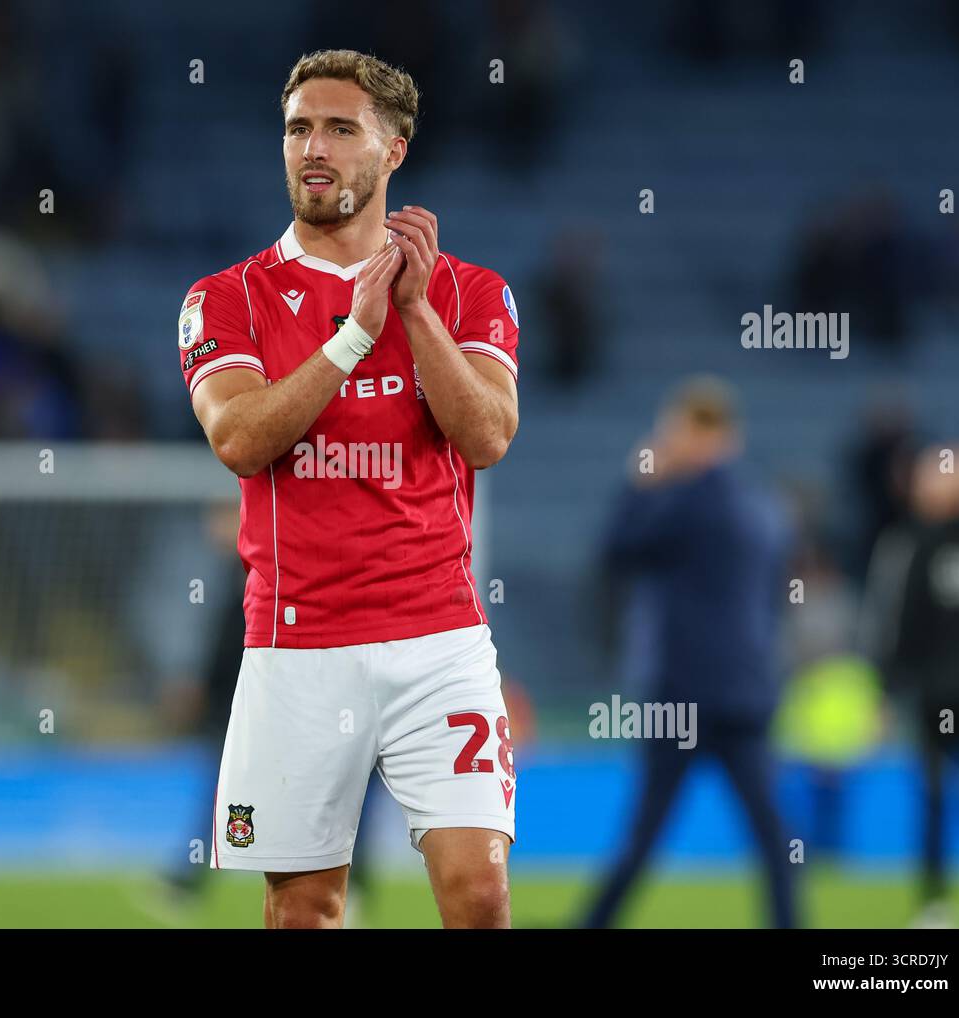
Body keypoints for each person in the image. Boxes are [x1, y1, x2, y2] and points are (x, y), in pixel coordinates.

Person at [178, 49, 521, 929]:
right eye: (298, 129)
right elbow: (239, 440)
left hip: (437, 639)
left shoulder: (468, 291)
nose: (314, 149)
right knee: (303, 911)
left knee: (480, 897)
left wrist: (411, 311)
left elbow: (486, 435)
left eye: (340, 128)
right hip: (297, 645)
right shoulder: (228, 298)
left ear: (393, 150)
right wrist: (351, 341)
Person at [577, 376, 798, 928]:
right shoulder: (765, 507)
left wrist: (641, 478)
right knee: (772, 836)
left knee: (644, 833)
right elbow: (776, 603)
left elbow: (615, 552)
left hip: (682, 694)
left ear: (698, 432)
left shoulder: (687, 501)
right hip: (746, 690)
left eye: (674, 430)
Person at [878, 445, 959, 927]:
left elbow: (906, 625)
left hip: (936, 695)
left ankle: (935, 904)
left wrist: (887, 692)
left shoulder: (922, 546)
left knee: (932, 799)